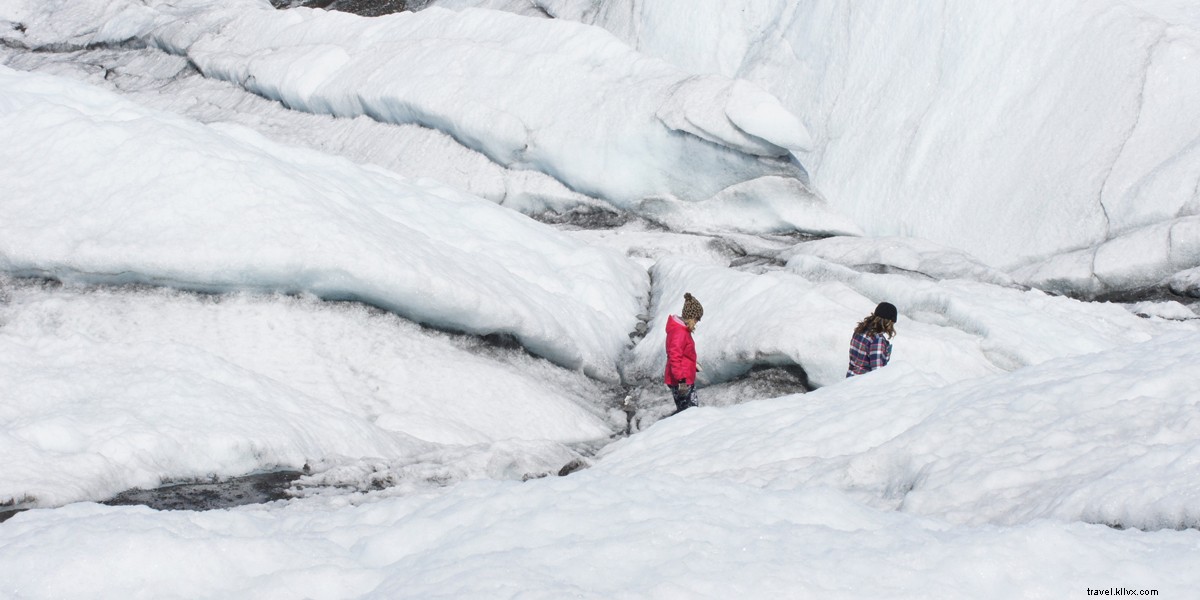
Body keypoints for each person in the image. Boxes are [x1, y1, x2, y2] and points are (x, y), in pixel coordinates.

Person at [664, 292, 703, 413]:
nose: (698, 321)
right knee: (689, 413)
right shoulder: (679, 332)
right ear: (691, 317)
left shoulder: (682, 330)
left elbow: (683, 353)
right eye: (697, 318)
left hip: (684, 377)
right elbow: (674, 357)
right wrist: (681, 380)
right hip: (681, 381)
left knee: (688, 412)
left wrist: (692, 365)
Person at [846, 302, 897, 377]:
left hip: (850, 379)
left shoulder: (860, 330)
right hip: (863, 385)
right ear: (888, 322)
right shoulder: (877, 340)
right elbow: (877, 371)